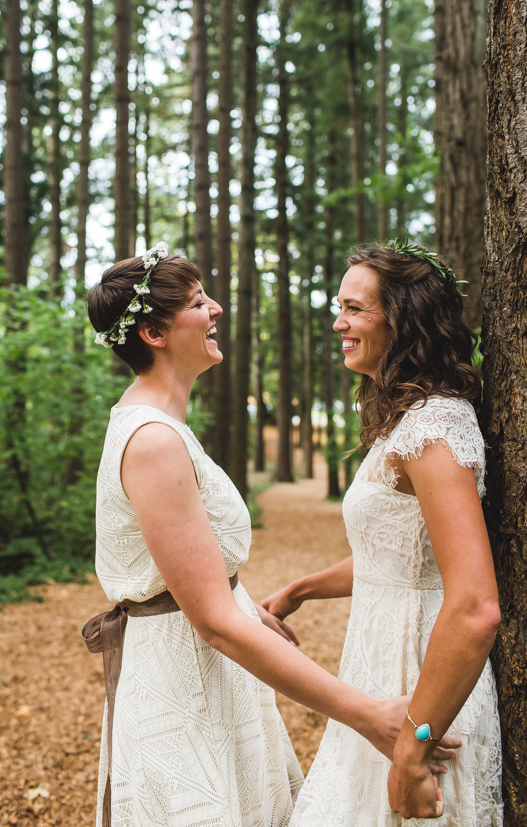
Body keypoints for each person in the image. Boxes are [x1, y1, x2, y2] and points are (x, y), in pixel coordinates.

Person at [84, 242, 457, 827]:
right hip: (180, 689)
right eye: (198, 301)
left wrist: (254, 608)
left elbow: (200, 588)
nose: (217, 310)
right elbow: (211, 620)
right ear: (155, 332)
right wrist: (369, 715)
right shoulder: (154, 440)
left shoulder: (163, 427)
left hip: (212, 674)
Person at [262, 242, 503, 827]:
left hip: (421, 677)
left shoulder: (437, 424)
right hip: (376, 667)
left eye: (355, 309)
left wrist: (415, 749)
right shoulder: (405, 420)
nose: (339, 323)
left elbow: (474, 607)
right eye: (338, 308)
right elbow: (398, 556)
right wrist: (299, 590)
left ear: (405, 319)